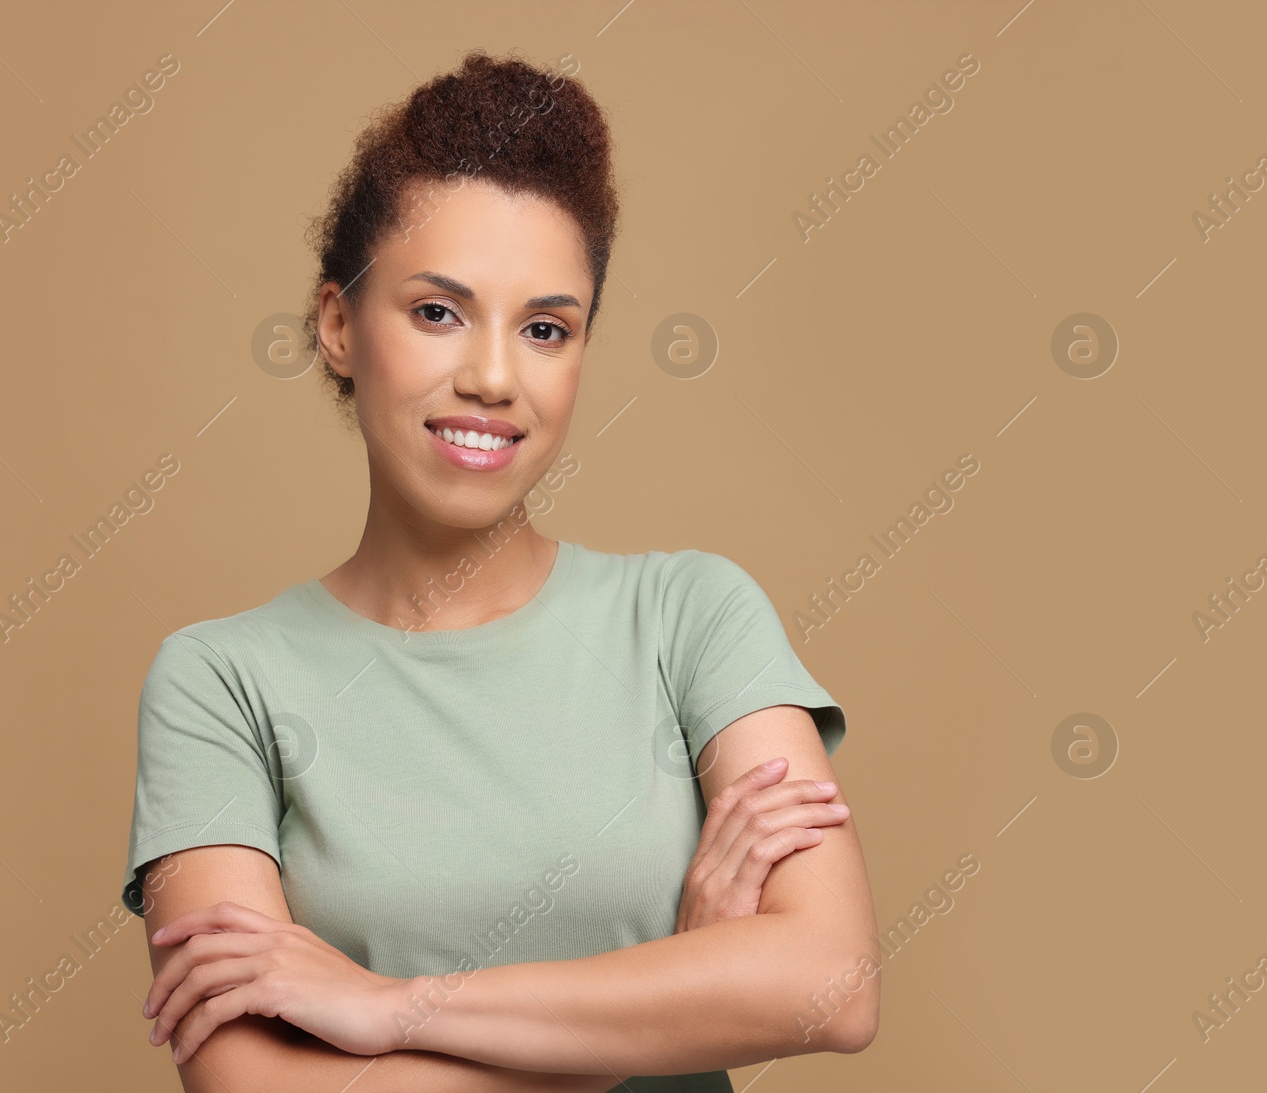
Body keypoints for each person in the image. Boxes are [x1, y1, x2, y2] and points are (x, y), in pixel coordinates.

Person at [120, 48, 878, 1092]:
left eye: (544, 328)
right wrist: (669, 998)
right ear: (339, 324)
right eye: (437, 311)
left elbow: (831, 984)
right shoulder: (219, 684)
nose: (490, 376)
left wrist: (390, 1011)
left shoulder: (692, 617)